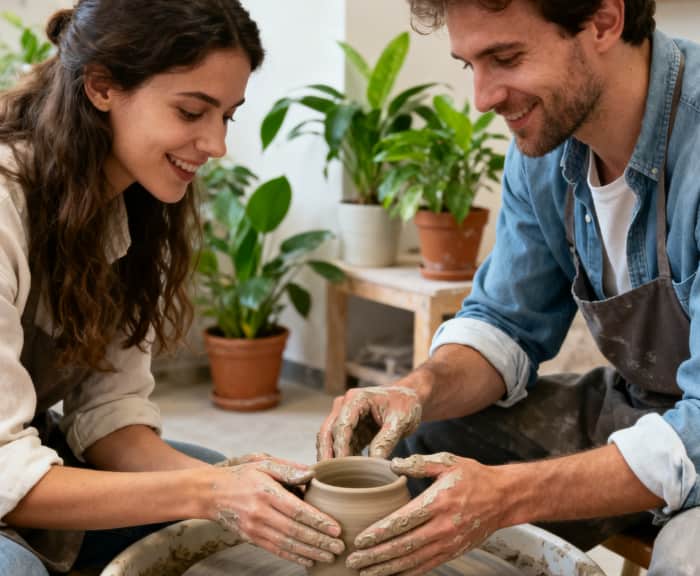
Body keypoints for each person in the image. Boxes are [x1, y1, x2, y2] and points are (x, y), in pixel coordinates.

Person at [318, 0, 700, 574]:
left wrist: (505, 496)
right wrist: (416, 391)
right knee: (405, 451)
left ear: (604, 19)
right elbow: (505, 322)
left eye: (505, 57)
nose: (484, 97)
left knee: (687, 555)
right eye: (471, 65)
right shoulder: (550, 142)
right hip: (644, 405)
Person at [0, 1, 346, 574]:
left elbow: (108, 416)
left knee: (230, 497)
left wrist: (233, 486)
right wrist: (208, 491)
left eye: (227, 115)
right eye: (192, 111)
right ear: (102, 86)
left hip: (20, 454)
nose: (216, 144)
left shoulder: (132, 204)